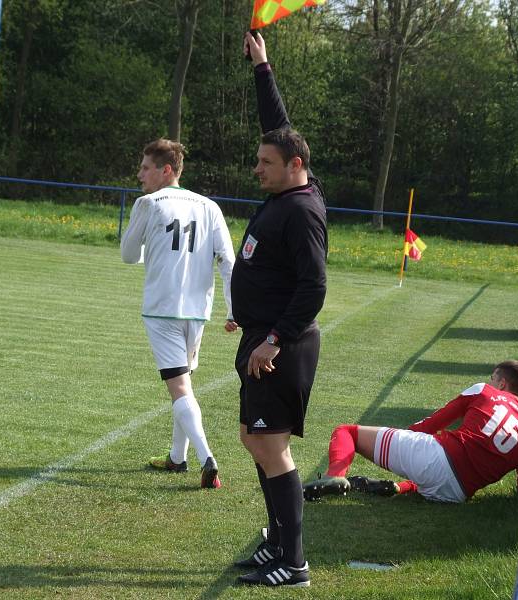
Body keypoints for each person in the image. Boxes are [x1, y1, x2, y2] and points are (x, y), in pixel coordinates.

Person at [228, 32, 328, 588]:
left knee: (270, 444)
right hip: (260, 336)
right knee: (254, 439)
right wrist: (263, 69)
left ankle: (294, 562)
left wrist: (273, 340)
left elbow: (314, 286)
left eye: (265, 162)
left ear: (294, 166)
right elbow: (279, 127)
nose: (257, 167)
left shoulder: (302, 213)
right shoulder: (288, 191)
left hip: (280, 344)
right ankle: (274, 545)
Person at [121, 138, 235, 489]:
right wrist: (235, 310)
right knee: (184, 381)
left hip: (161, 310)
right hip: (197, 311)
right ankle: (176, 457)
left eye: (145, 167)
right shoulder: (209, 206)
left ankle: (207, 458)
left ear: (166, 170)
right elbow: (229, 262)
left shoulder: (148, 203)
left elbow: (127, 254)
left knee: (180, 387)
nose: (139, 175)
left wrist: (149, 253)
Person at [303, 360, 518, 504]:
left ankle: (334, 476)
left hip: (435, 458)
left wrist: (404, 437)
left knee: (347, 432)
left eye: (493, 377)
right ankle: (398, 487)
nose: (491, 381)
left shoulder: (484, 391)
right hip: (458, 493)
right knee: (428, 477)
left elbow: (432, 424)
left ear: (502, 383)